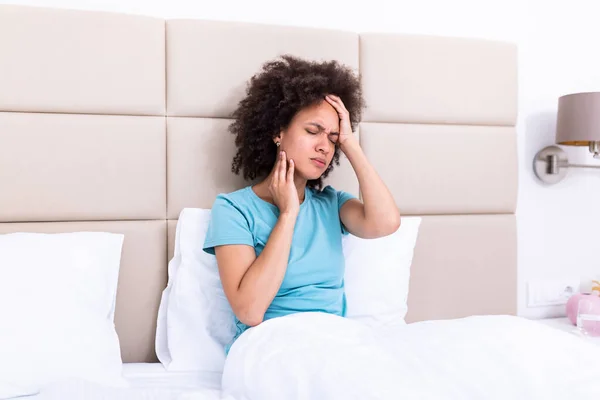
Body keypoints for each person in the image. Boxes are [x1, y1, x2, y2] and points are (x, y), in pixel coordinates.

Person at [203, 55, 400, 353]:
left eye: (332, 138)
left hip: (335, 344)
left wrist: (350, 143)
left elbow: (386, 223)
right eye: (312, 131)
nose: (325, 146)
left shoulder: (331, 205)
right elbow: (249, 310)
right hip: (269, 349)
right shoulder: (233, 210)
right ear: (278, 133)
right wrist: (288, 214)